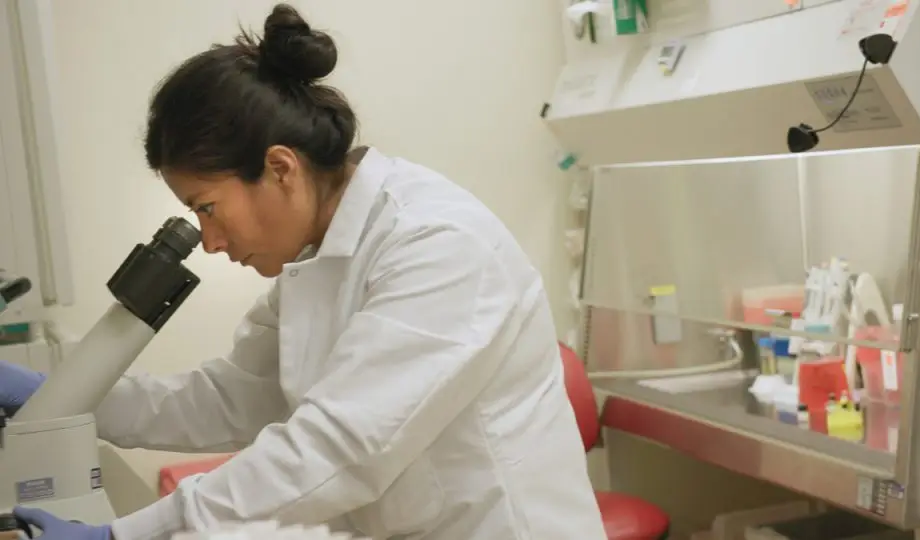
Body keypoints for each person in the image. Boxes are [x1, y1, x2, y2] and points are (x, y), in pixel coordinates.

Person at [0, 4, 606, 540]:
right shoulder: (317, 258)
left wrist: (123, 535)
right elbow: (229, 399)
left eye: (206, 209)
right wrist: (67, 397)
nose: (208, 241)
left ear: (281, 168)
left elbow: (336, 448)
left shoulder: (437, 245)